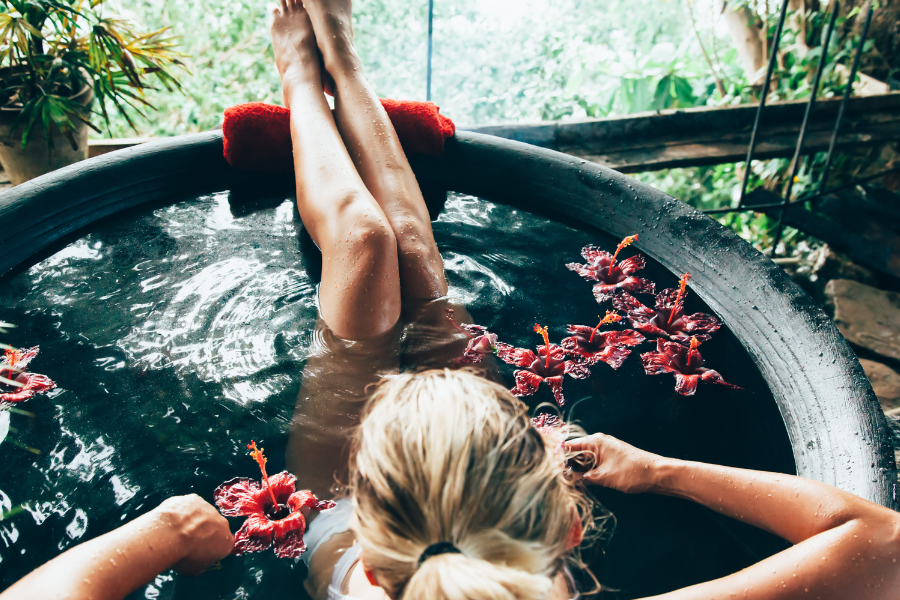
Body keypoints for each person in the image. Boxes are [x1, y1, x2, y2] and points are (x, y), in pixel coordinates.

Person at [3, 1, 899, 599]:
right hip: (430, 522)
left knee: (362, 247)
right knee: (414, 261)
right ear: (566, 526)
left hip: (349, 530)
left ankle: (298, 75)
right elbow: (881, 540)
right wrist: (661, 470)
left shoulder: (353, 541)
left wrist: (167, 529)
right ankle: (342, 69)